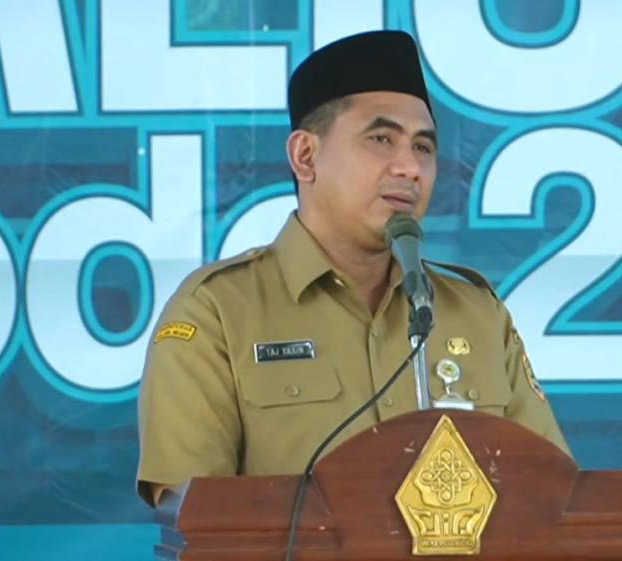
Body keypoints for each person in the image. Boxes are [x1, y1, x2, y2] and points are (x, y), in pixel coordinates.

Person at [135, 29, 571, 508]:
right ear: (306, 156)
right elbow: (197, 520)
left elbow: (555, 497)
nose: (409, 167)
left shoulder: (476, 313)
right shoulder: (217, 312)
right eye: (381, 139)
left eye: (423, 147)